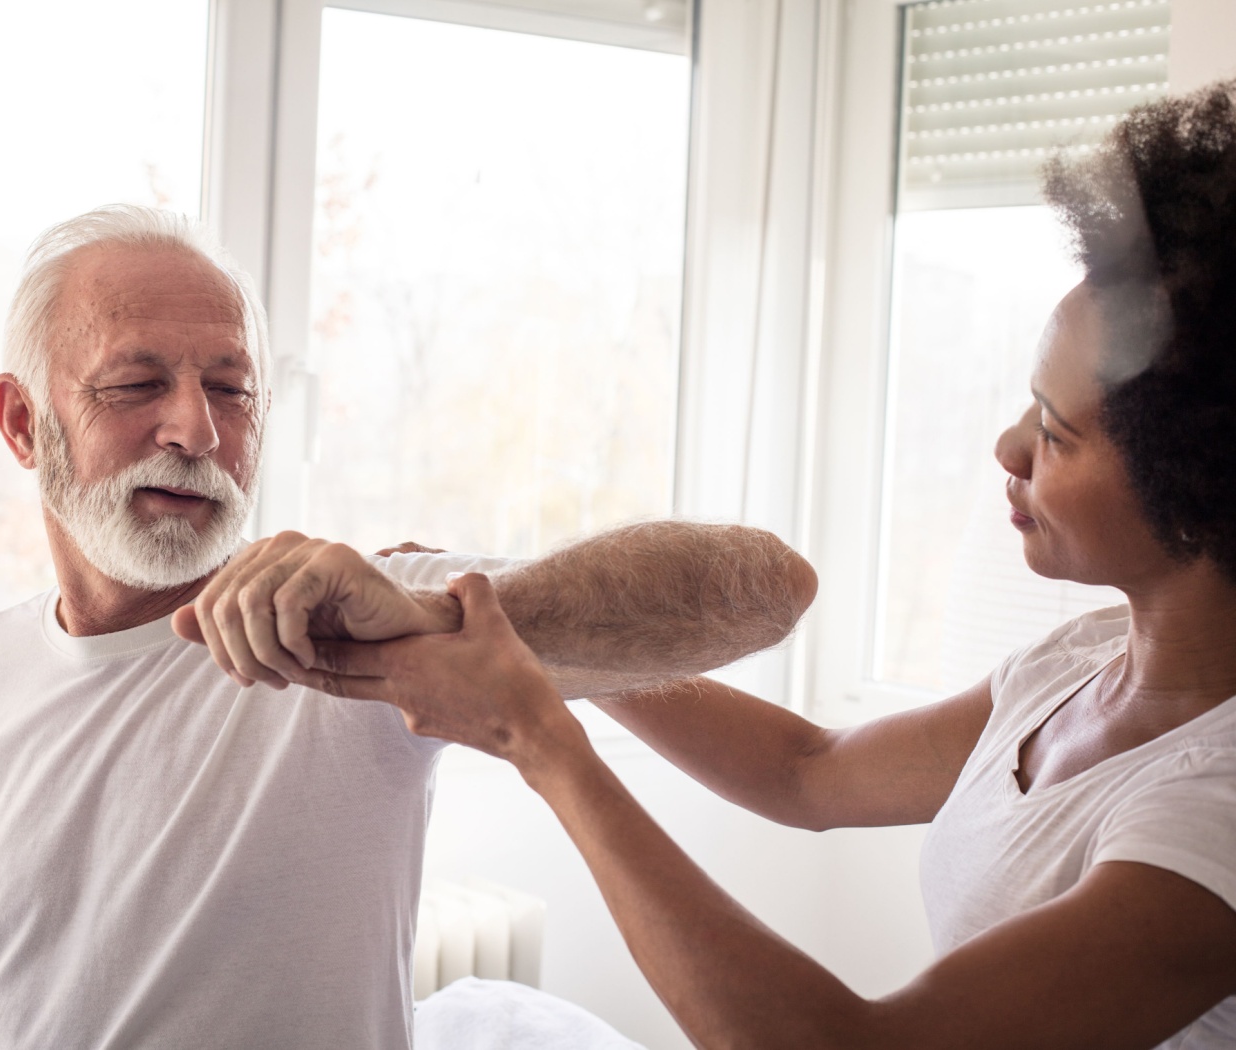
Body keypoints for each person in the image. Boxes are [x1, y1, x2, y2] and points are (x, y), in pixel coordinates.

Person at [201, 84, 1236, 1046]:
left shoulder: (1214, 804)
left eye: (1054, 434)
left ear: (1195, 483)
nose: (1007, 448)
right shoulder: (1075, 665)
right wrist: (492, 614)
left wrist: (538, 737)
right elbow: (804, 770)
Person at [0, 205, 818, 1049]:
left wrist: (431, 620)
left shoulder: (368, 622)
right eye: (136, 383)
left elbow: (763, 588)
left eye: (231, 388)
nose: (196, 428)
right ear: (24, 423)